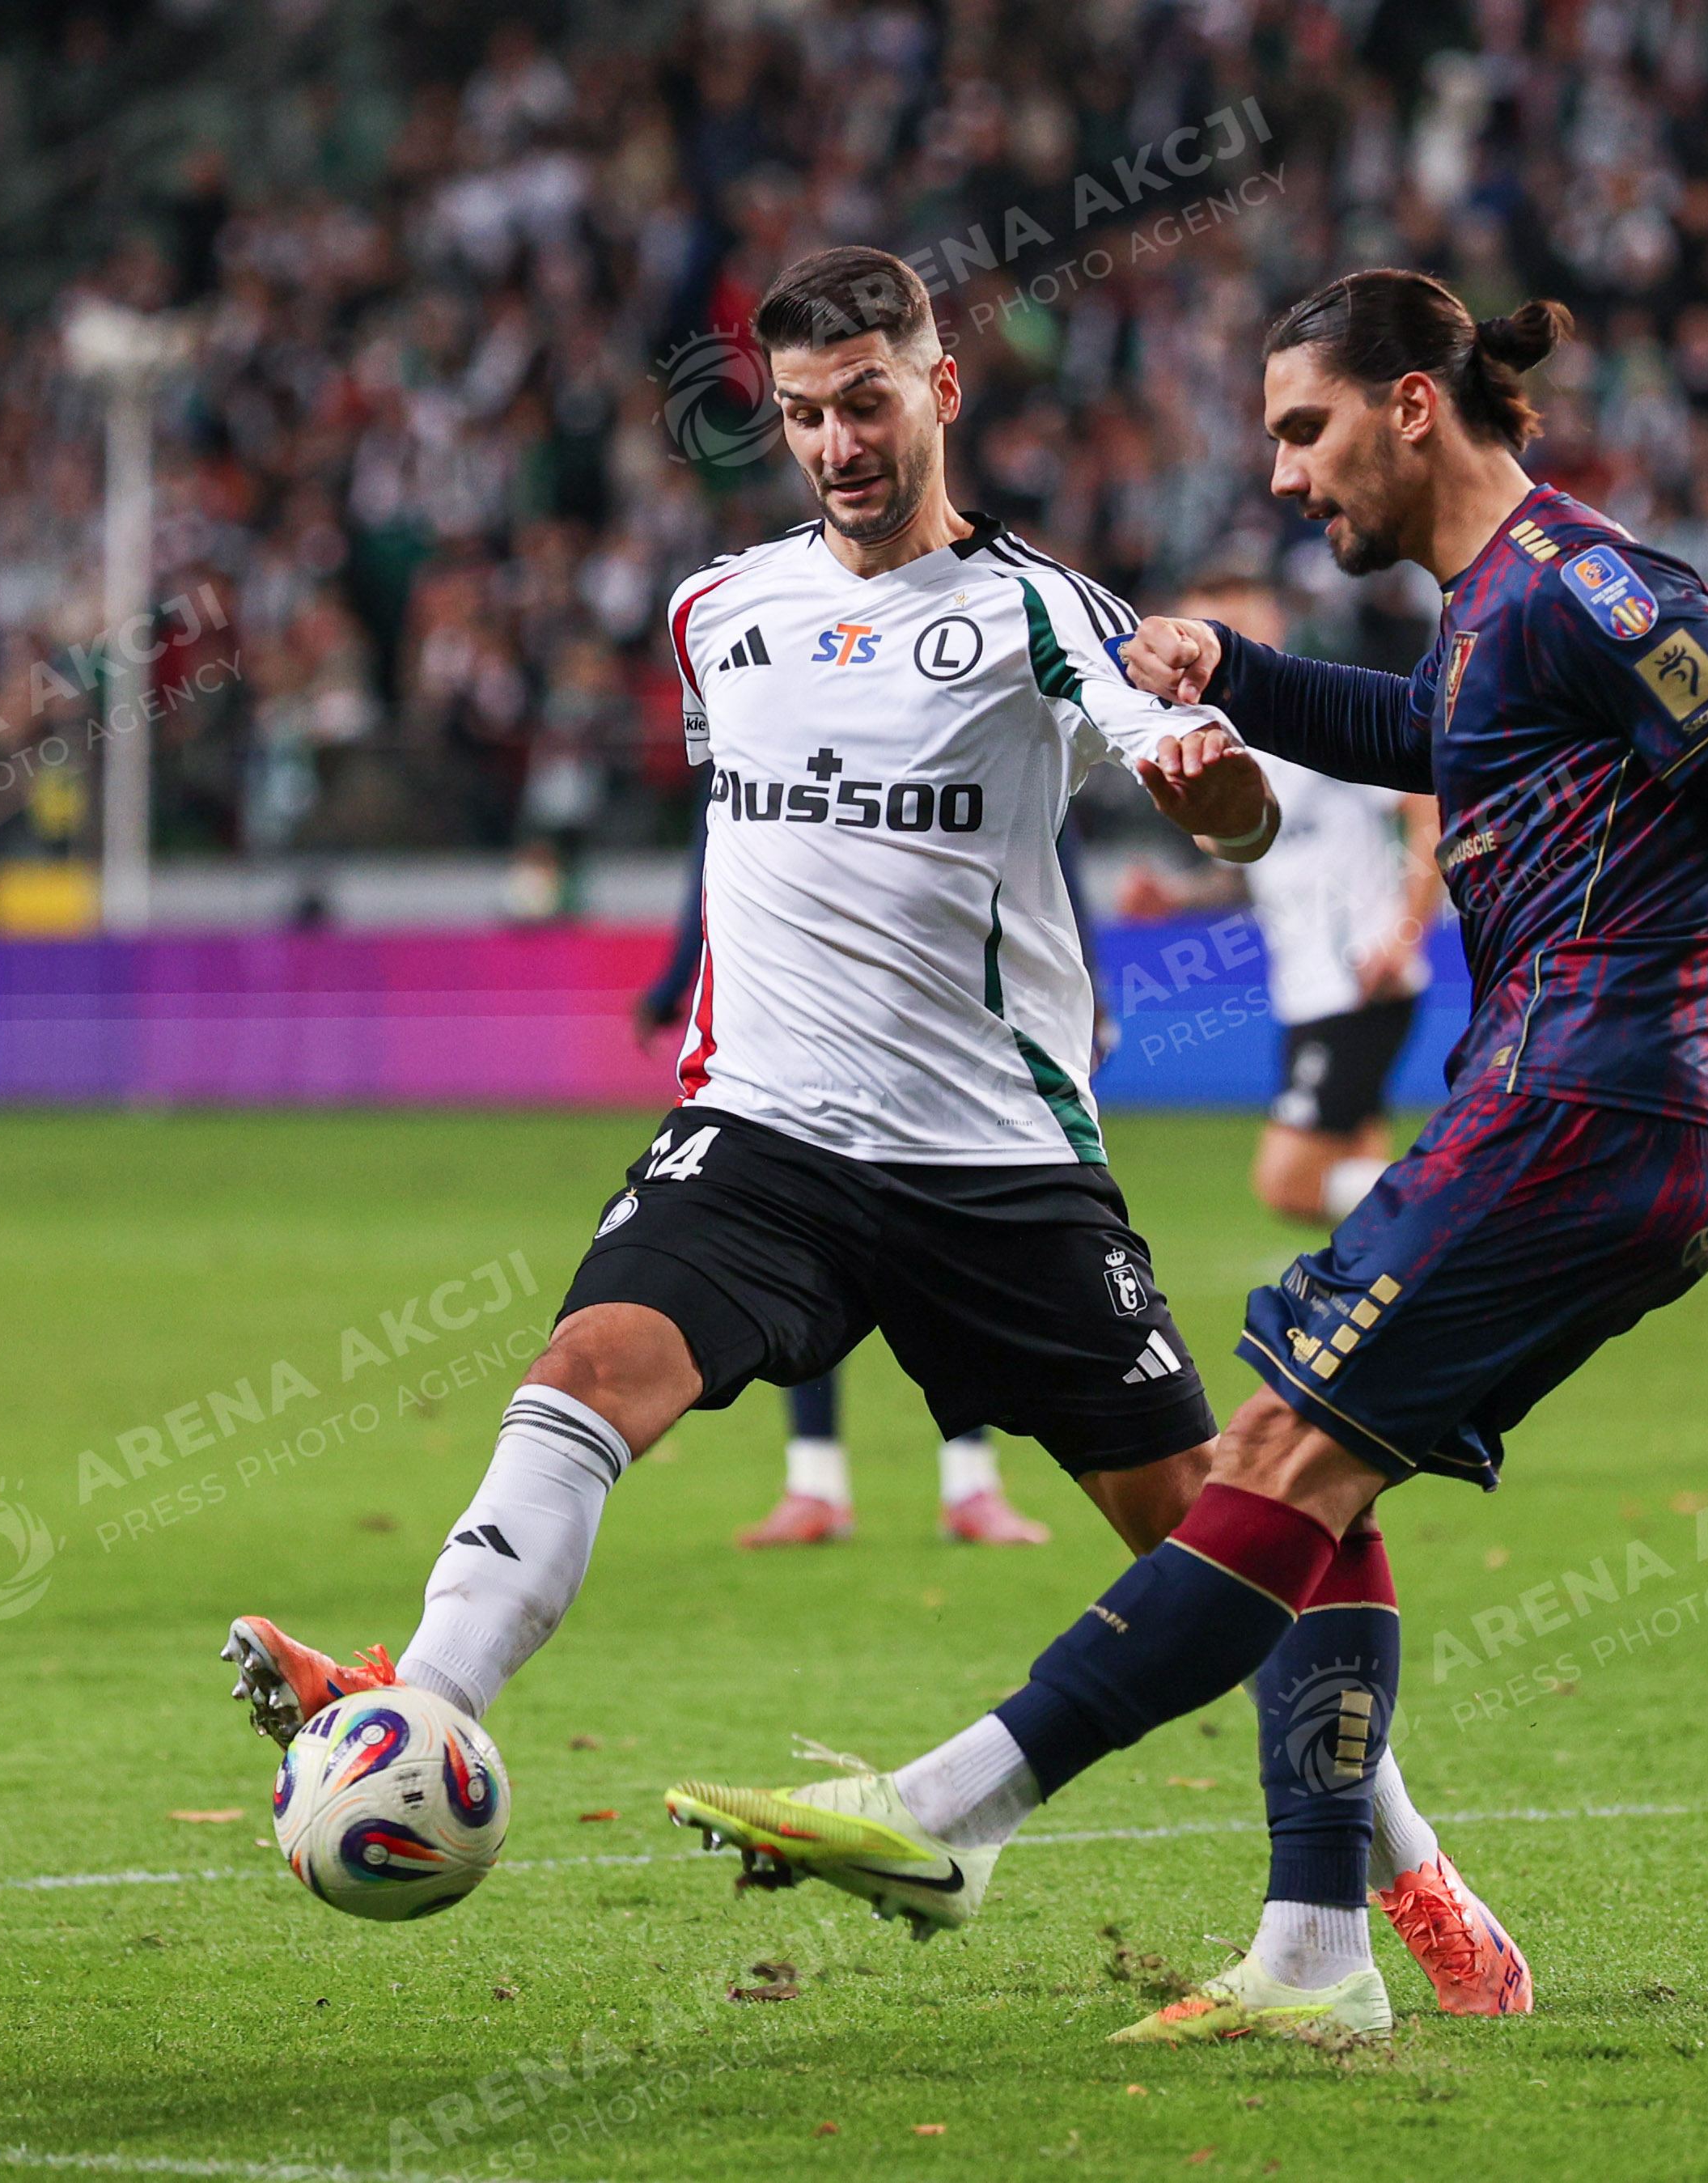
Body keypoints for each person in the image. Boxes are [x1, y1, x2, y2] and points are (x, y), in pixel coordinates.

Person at [665, 269, 1708, 2046]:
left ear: (1411, 405)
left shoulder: (1593, 586)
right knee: (1310, 1478)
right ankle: (1317, 1945)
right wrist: (1235, 672)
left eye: (1304, 429)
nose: (1282, 475)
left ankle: (956, 1808)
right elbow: (1420, 736)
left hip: (1587, 1102)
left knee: (1270, 1453)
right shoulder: (1491, 614)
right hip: (1584, 1112)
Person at [221, 246, 1531, 2017]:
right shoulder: (716, 612)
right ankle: (421, 1707)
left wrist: (1217, 798)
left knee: (1219, 1529)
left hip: (999, 1169)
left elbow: (1204, 788)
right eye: (802, 414)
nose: (837, 442)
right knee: (587, 1370)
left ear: (939, 390)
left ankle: (1410, 1865)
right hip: (761, 1134)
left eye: (866, 401)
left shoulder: (1041, 608)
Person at [634, 824, 1050, 1545]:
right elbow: (716, 848)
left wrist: (1081, 983)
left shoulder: (966, 753)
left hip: (935, 1025)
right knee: (806, 1251)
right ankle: (817, 1486)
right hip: (802, 1035)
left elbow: (1042, 841)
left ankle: (970, 1483)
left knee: (950, 1254)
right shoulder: (750, 746)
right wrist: (677, 979)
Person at [1116, 573, 1444, 1227]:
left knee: (1288, 1182)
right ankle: (1410, 1274)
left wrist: (1405, 934)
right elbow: (1253, 870)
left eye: (1229, 628)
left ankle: (1479, 1216)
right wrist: (1176, 897)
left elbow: (1426, 808)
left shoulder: (1314, 720)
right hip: (1308, 988)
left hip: (1359, 980)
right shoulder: (1225, 745)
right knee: (1355, 1176)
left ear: (1269, 630)